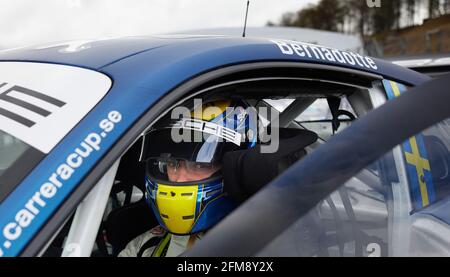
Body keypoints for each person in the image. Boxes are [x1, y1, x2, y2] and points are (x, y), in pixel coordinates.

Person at [118, 99, 257, 257]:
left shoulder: (266, 242)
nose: (179, 179)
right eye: (172, 162)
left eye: (199, 165)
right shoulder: (147, 245)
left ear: (233, 166)